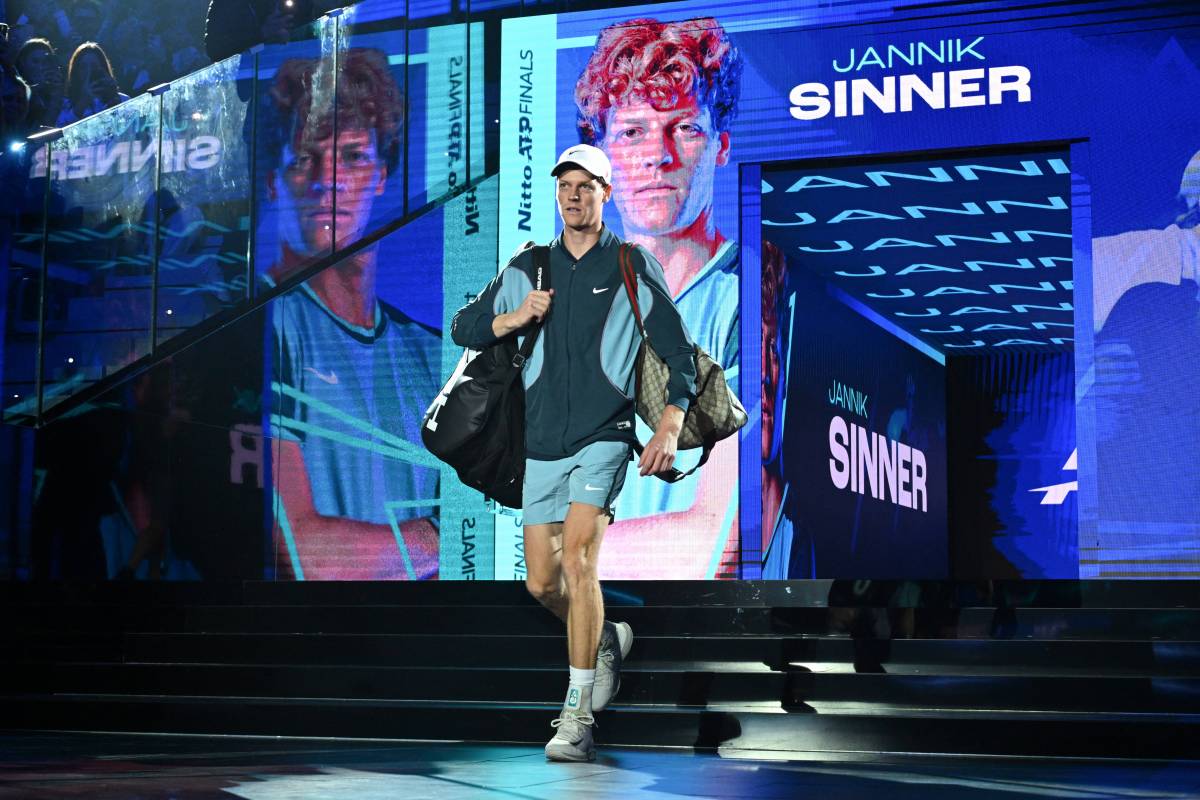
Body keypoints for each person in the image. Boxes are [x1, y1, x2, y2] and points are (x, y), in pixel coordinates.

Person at [451, 143, 698, 761]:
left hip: (605, 437)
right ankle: (606, 637)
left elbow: (679, 353)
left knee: (581, 562)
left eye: (587, 186)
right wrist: (514, 317)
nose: (574, 196)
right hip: (542, 445)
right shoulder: (529, 267)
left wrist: (669, 425)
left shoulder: (631, 264)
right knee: (541, 583)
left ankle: (577, 714)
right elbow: (464, 327)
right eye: (566, 185)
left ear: (606, 194)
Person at [573, 17, 744, 578]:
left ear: (719, 145)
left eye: (684, 129)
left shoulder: (750, 297)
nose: (658, 156)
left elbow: (721, 536)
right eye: (632, 132)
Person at [262, 48, 441, 580]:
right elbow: (302, 553)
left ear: (383, 174)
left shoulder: (432, 354)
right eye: (303, 159)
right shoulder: (271, 327)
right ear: (275, 180)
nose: (328, 180)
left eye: (354, 157)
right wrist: (442, 535)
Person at [204, 0, 318, 64]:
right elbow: (215, 49)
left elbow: (312, 34)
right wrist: (261, 33)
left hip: (294, 78)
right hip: (250, 87)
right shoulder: (225, 3)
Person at [56, 41, 127, 127]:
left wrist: (114, 99)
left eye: (94, 66)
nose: (89, 71)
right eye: (83, 67)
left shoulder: (122, 99)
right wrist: (83, 102)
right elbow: (60, 129)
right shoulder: (67, 105)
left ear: (103, 68)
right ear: (76, 72)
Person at [14, 38, 63, 131]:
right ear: (22, 62)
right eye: (35, 61)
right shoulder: (14, 91)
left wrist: (56, 94)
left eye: (45, 62)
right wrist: (37, 88)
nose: (41, 67)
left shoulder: (53, 89)